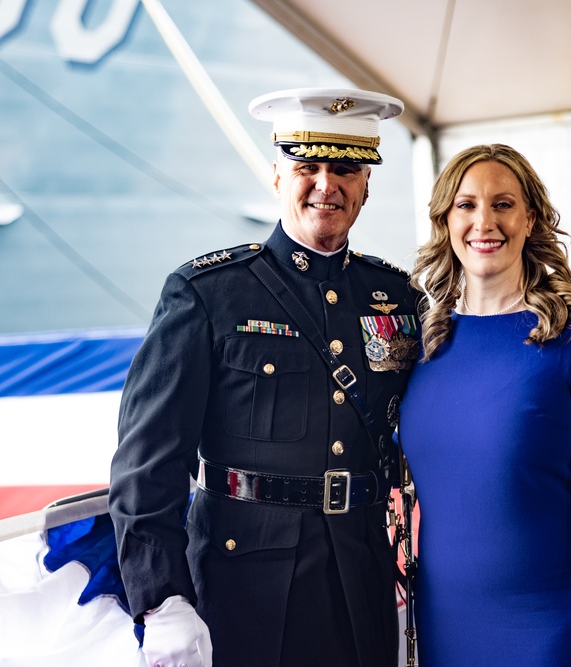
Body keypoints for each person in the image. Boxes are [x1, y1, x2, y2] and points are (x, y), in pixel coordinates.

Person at [109, 88, 420, 667]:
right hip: (245, 585)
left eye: (346, 169)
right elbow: (149, 459)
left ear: (366, 186)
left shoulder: (396, 297)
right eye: (308, 167)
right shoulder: (207, 293)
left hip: (362, 575)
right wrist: (161, 598)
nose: (327, 185)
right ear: (277, 176)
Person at [398, 144, 571, 666]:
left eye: (503, 204)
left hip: (553, 625)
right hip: (442, 626)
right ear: (445, 220)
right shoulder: (423, 341)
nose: (484, 221)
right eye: (466, 205)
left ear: (530, 217)